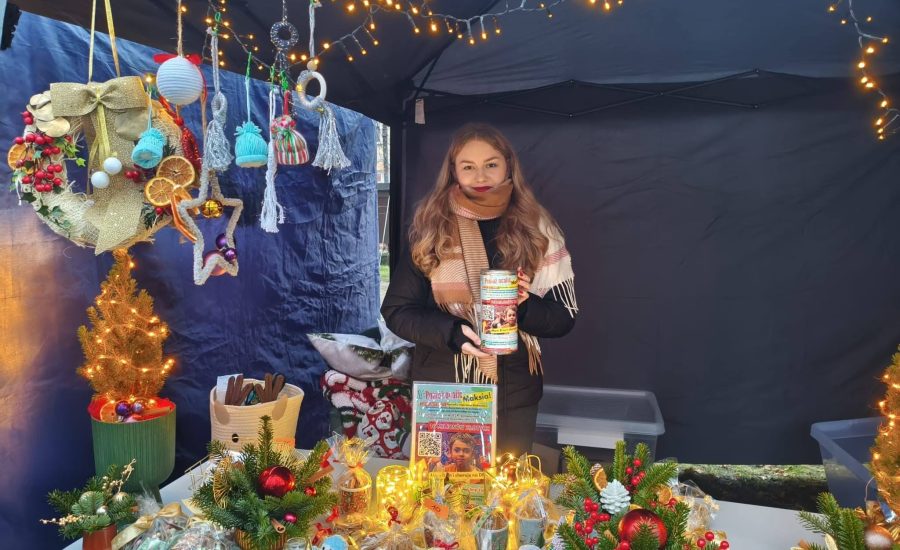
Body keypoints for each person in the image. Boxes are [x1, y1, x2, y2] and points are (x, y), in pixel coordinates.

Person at [381, 123, 578, 455]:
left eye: (491, 164)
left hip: (513, 395)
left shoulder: (537, 229)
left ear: (508, 166)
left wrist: (523, 307)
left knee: (508, 484)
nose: (480, 176)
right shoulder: (432, 228)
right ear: (454, 172)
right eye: (468, 167)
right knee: (442, 484)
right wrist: (452, 332)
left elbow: (563, 317)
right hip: (445, 391)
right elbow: (397, 311)